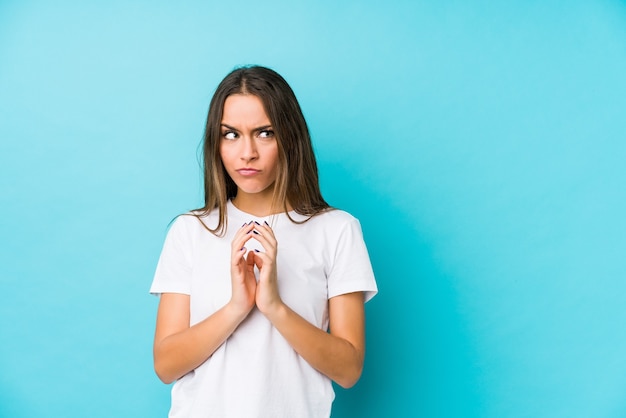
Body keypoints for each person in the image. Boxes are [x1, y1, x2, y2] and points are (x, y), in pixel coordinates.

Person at [150, 65, 377, 418]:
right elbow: (166, 365)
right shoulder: (190, 231)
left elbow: (348, 369)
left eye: (265, 133)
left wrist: (273, 306)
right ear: (216, 142)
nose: (247, 153)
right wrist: (236, 307)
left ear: (289, 137)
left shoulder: (337, 230)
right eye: (231, 135)